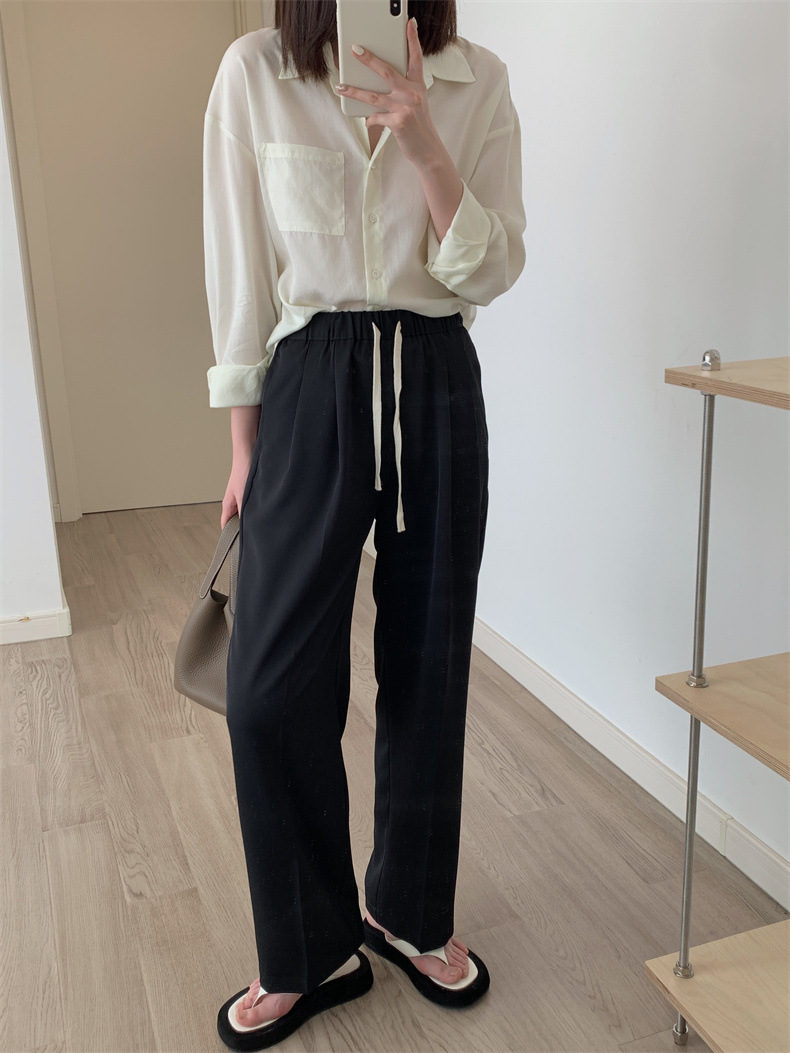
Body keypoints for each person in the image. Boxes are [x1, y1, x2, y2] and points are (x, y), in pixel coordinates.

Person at [203, 2, 526, 1048]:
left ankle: (407, 909)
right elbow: (241, 269)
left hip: (435, 376)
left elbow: (490, 270)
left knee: (430, 667)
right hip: (311, 381)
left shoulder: (476, 79)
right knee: (267, 688)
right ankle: (309, 946)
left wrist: (424, 138)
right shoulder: (255, 71)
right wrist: (245, 444)